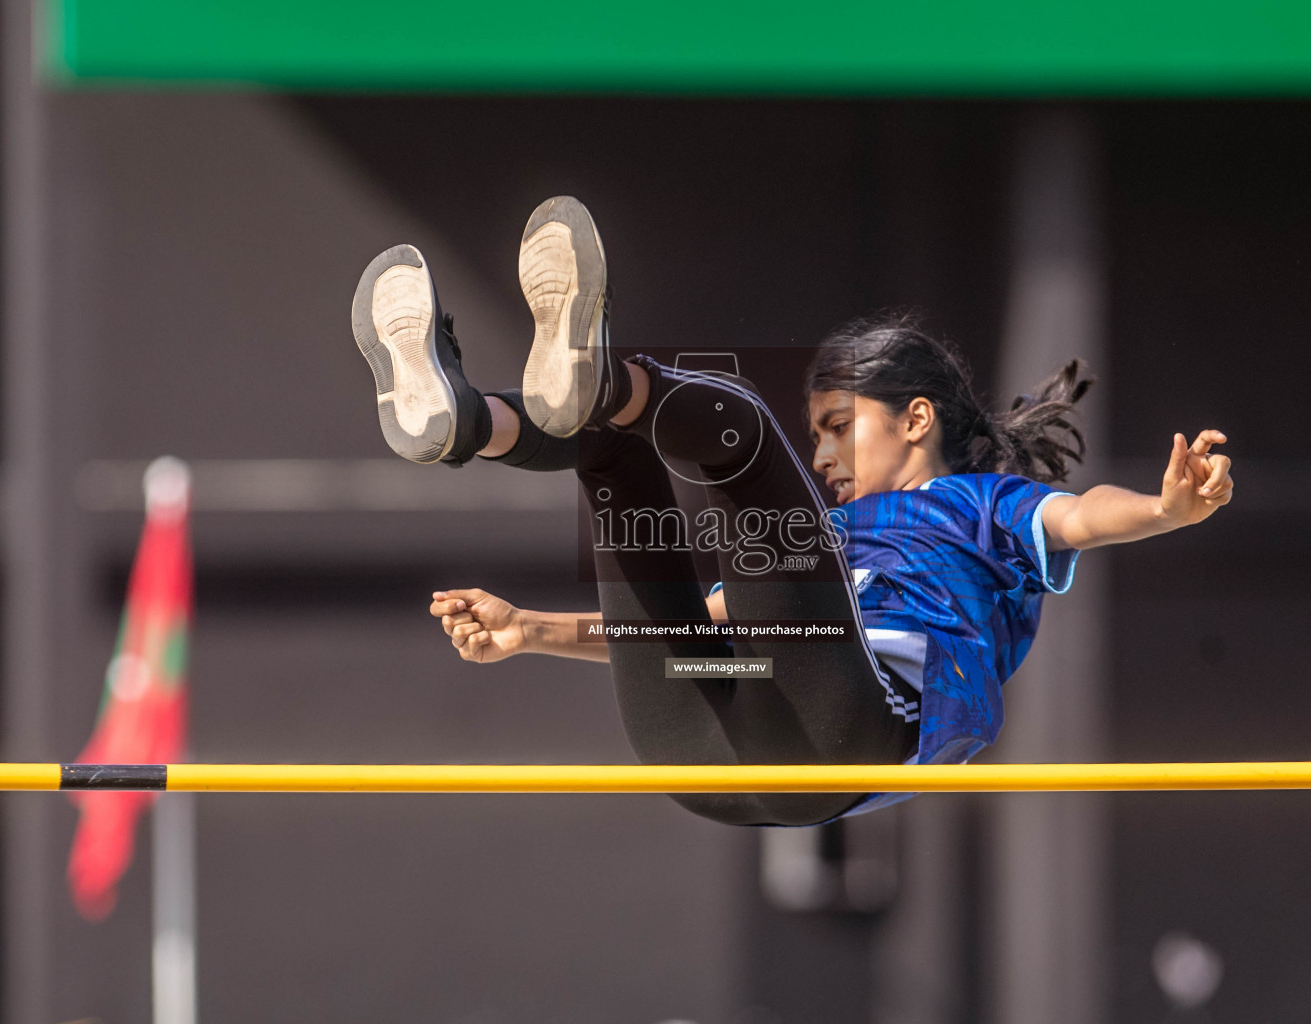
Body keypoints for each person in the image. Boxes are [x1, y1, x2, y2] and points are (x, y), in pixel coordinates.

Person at [349, 196, 1234, 826]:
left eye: (840, 428)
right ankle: (470, 420)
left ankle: (594, 382)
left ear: (916, 418)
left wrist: (1163, 508)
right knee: (611, 454)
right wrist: (531, 630)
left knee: (735, 429)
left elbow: (1083, 516)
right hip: (707, 749)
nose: (822, 457)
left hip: (837, 739)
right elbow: (695, 631)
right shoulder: (827, 547)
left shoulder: (981, 507)